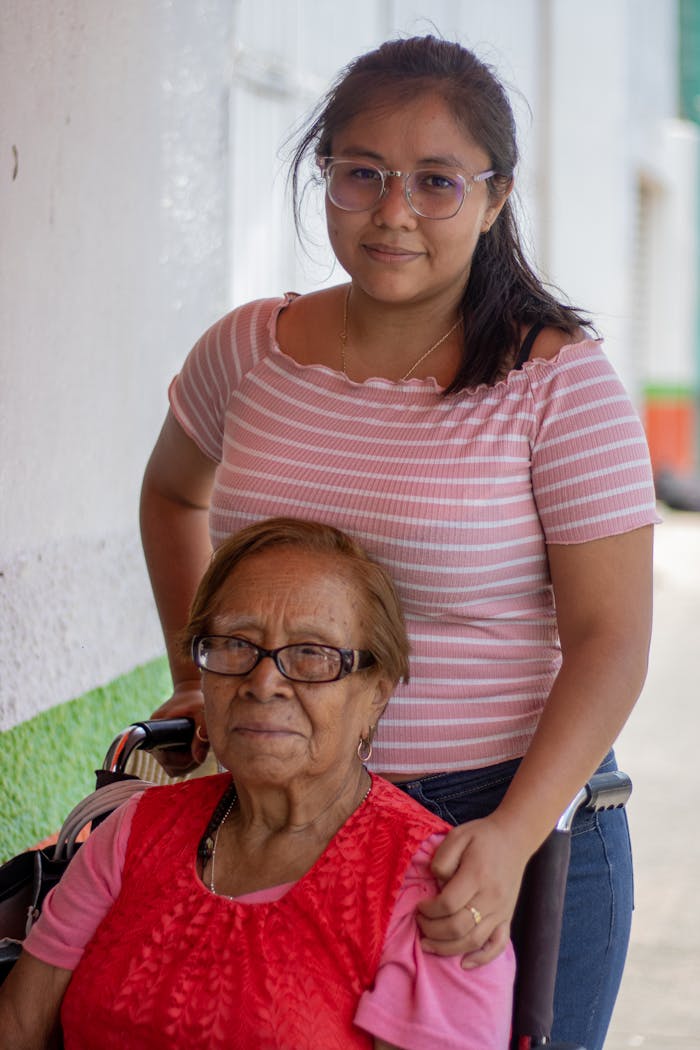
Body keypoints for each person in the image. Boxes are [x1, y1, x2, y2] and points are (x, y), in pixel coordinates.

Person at [138, 35, 659, 1050]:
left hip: (494, 825)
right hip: (274, 817)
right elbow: (169, 496)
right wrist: (205, 677)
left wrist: (511, 838)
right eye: (360, 174)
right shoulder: (248, 349)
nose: (392, 212)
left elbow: (612, 642)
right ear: (321, 174)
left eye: (435, 181)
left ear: (496, 197)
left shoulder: (556, 383)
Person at [0, 518, 515, 1050]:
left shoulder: (436, 892)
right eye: (235, 645)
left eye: (312, 654)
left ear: (376, 694)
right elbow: (17, 1025)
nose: (264, 682)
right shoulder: (136, 831)